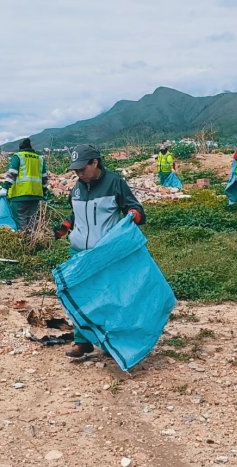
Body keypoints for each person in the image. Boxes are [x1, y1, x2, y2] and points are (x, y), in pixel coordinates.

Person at [53, 144, 145, 359]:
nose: (78, 173)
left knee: (108, 297)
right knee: (79, 295)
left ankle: (111, 342)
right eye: (75, 170)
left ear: (95, 163)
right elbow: (76, 214)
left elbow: (137, 210)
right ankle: (82, 342)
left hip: (104, 253)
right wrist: (66, 226)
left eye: (82, 169)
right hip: (77, 252)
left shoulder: (114, 183)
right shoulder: (77, 188)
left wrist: (133, 214)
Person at [0, 138, 48, 230]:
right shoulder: (40, 159)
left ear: (20, 148)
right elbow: (44, 178)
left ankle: (23, 241)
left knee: (20, 222)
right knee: (31, 222)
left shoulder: (18, 156)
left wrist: (4, 188)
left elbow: (12, 174)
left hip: (19, 196)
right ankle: (32, 241)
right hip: (36, 196)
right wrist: (45, 193)